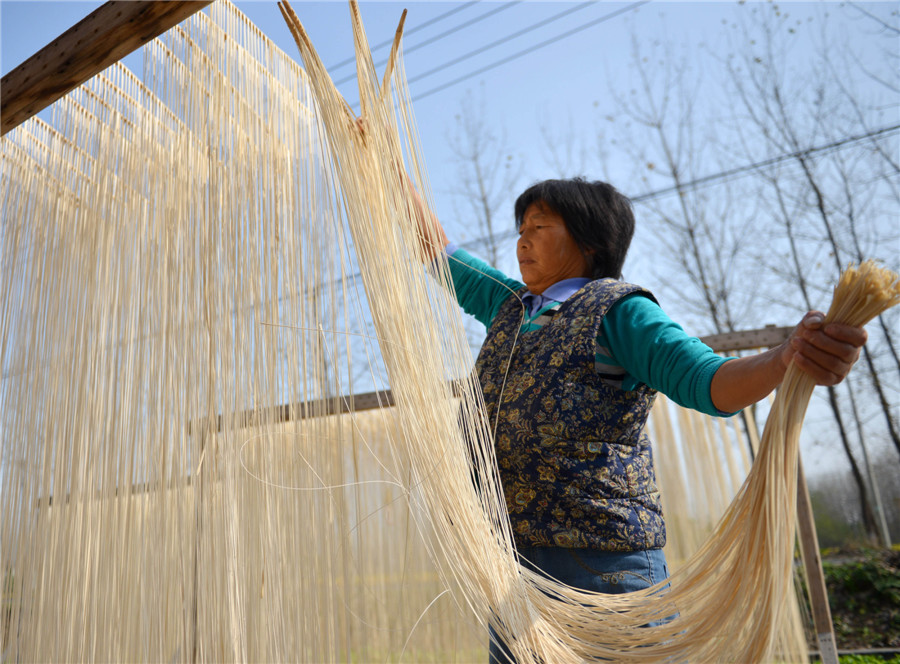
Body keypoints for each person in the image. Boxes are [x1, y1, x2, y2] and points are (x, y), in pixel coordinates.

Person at [409, 177, 866, 663]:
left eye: (540, 227)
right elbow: (435, 248)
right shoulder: (508, 305)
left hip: (601, 565)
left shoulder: (619, 312)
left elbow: (708, 380)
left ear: (590, 242)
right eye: (521, 229)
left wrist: (786, 358)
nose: (523, 240)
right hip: (510, 567)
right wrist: (386, 161)